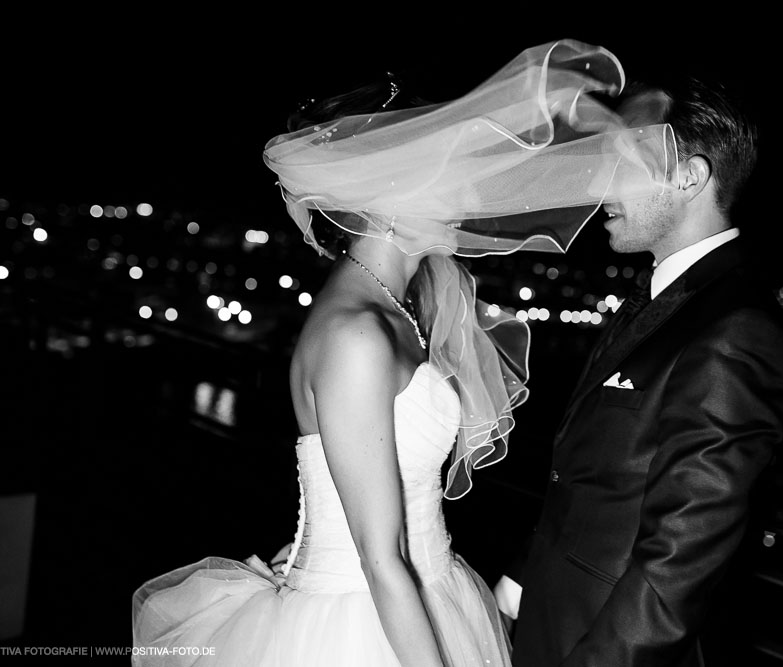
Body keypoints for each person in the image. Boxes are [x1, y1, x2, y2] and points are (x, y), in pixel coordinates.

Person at [130, 40, 676, 666]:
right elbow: (380, 558)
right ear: (389, 197)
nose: (470, 192)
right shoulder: (356, 333)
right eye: (449, 172)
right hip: (368, 619)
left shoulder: (398, 310)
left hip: (425, 592)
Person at [500, 78, 783, 666]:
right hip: (555, 622)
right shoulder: (664, 299)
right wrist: (521, 580)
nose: (599, 184)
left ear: (689, 177)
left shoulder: (733, 328)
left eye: (621, 165)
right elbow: (592, 482)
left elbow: (680, 561)